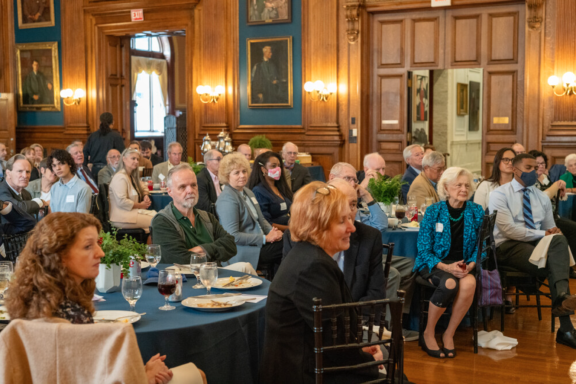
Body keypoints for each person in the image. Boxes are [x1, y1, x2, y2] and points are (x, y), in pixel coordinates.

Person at [4, 212, 207, 384]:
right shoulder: (73, 317)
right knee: (198, 374)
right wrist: (144, 375)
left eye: (98, 244)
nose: (100, 253)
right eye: (87, 247)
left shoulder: (30, 304)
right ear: (59, 255)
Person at [259, 181, 383, 384]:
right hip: (306, 374)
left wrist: (358, 351)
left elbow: (333, 336)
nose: (352, 227)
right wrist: (368, 361)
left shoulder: (309, 256)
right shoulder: (314, 266)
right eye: (342, 221)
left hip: (314, 364)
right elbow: (334, 346)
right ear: (319, 225)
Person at [489, 154, 576, 349]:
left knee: (559, 239)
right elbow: (508, 230)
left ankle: (562, 299)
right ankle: (566, 329)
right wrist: (543, 233)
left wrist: (553, 232)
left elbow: (550, 229)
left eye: (537, 168)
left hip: (534, 244)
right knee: (556, 265)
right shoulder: (499, 194)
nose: (535, 172)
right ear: (515, 170)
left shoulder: (540, 197)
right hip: (507, 246)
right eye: (529, 168)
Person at [414, 167, 484, 358]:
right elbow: (423, 248)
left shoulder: (476, 211)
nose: (464, 189)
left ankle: (449, 334)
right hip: (435, 264)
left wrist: (470, 264)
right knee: (449, 283)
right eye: (458, 185)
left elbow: (482, 245)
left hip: (463, 265)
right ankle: (428, 332)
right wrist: (445, 267)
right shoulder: (433, 211)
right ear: (446, 187)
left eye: (467, 185)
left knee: (470, 283)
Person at [151, 164, 255, 275]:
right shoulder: (162, 221)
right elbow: (179, 261)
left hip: (213, 275)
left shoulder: (206, 217)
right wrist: (214, 250)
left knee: (246, 267)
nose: (190, 190)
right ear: (170, 191)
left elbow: (231, 246)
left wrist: (202, 249)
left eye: (193, 185)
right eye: (182, 187)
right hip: (184, 281)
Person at [216, 153, 283, 271]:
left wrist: (273, 233)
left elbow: (261, 220)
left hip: (261, 244)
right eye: (236, 173)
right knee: (288, 244)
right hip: (245, 251)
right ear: (227, 176)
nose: (242, 175)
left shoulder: (248, 192)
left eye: (244, 171)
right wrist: (265, 238)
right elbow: (233, 236)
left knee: (288, 239)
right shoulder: (227, 198)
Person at [329, 162, 387, 232]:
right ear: (332, 178)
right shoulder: (321, 202)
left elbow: (380, 225)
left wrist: (366, 195)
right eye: (347, 178)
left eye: (355, 180)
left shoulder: (352, 206)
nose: (353, 184)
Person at [109, 148, 155, 233]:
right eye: (133, 158)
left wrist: (145, 195)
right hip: (121, 217)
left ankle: (150, 245)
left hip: (131, 213)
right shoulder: (120, 177)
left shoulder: (131, 177)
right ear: (124, 159)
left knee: (158, 218)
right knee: (158, 221)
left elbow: (144, 186)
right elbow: (122, 202)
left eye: (137, 159)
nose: (136, 161)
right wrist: (140, 205)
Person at [248, 152, 293, 230]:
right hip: (275, 234)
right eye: (273, 166)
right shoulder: (258, 191)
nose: (278, 169)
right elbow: (265, 223)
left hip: (290, 228)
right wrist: (290, 229)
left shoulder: (281, 187)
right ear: (263, 169)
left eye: (279, 166)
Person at [83, 113, 125, 184]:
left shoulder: (92, 136)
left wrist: (85, 170)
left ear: (100, 122)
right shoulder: (116, 136)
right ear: (113, 122)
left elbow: (85, 153)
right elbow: (123, 154)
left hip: (94, 171)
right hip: (110, 171)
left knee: (96, 193)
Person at [0, 155, 46, 219]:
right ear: (8, 173)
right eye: (20, 171)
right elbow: (17, 208)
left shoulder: (26, 194)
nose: (25, 176)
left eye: (28, 172)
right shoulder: (1, 190)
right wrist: (41, 202)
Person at [48, 150, 92, 214]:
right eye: (54, 165)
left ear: (69, 164)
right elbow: (52, 214)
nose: (57, 168)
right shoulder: (54, 188)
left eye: (61, 163)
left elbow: (82, 219)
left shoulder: (83, 188)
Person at [196, 149, 223, 215]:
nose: (222, 162)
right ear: (208, 162)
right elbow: (205, 207)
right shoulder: (201, 179)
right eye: (218, 159)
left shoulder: (222, 177)